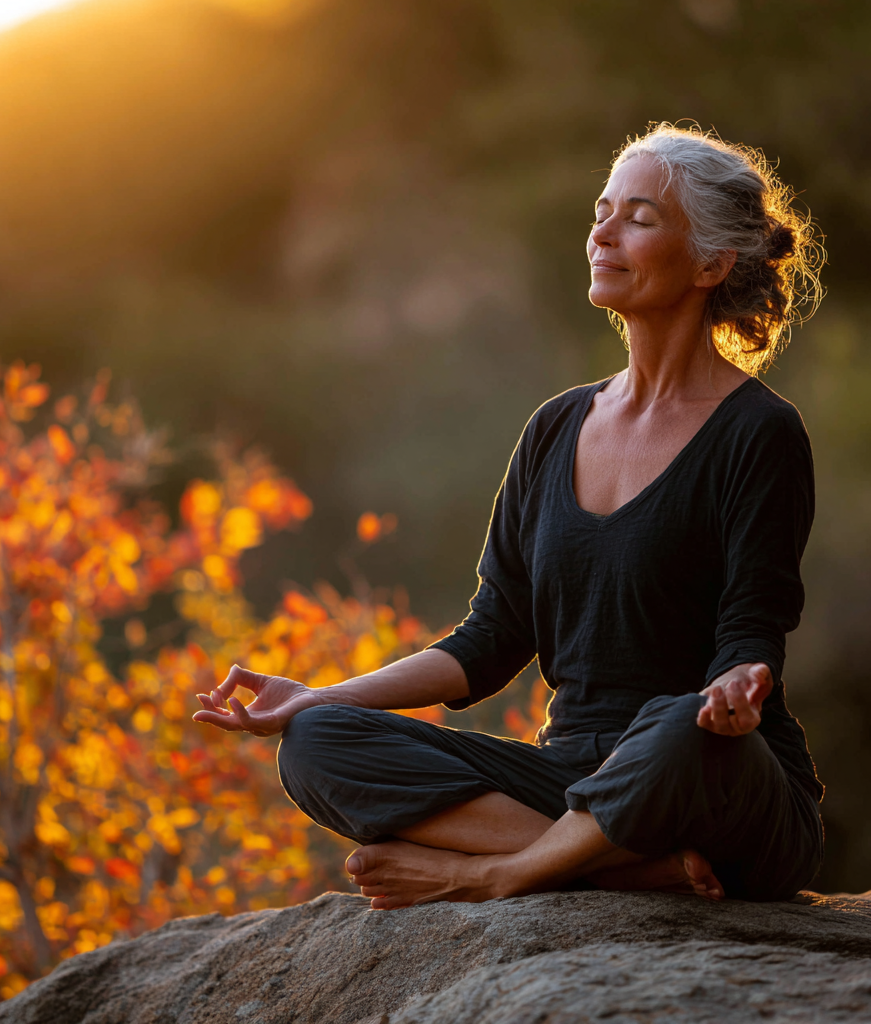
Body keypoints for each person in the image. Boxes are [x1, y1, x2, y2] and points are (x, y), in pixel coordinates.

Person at [193, 123, 826, 909]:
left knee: (678, 723)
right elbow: (490, 641)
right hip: (570, 776)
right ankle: (607, 862)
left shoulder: (757, 430)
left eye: (639, 216)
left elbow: (752, 629)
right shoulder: (556, 427)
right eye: (601, 210)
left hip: (710, 773)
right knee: (317, 745)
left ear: (710, 263)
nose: (601, 232)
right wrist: (316, 698)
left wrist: (736, 690)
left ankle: (497, 872)